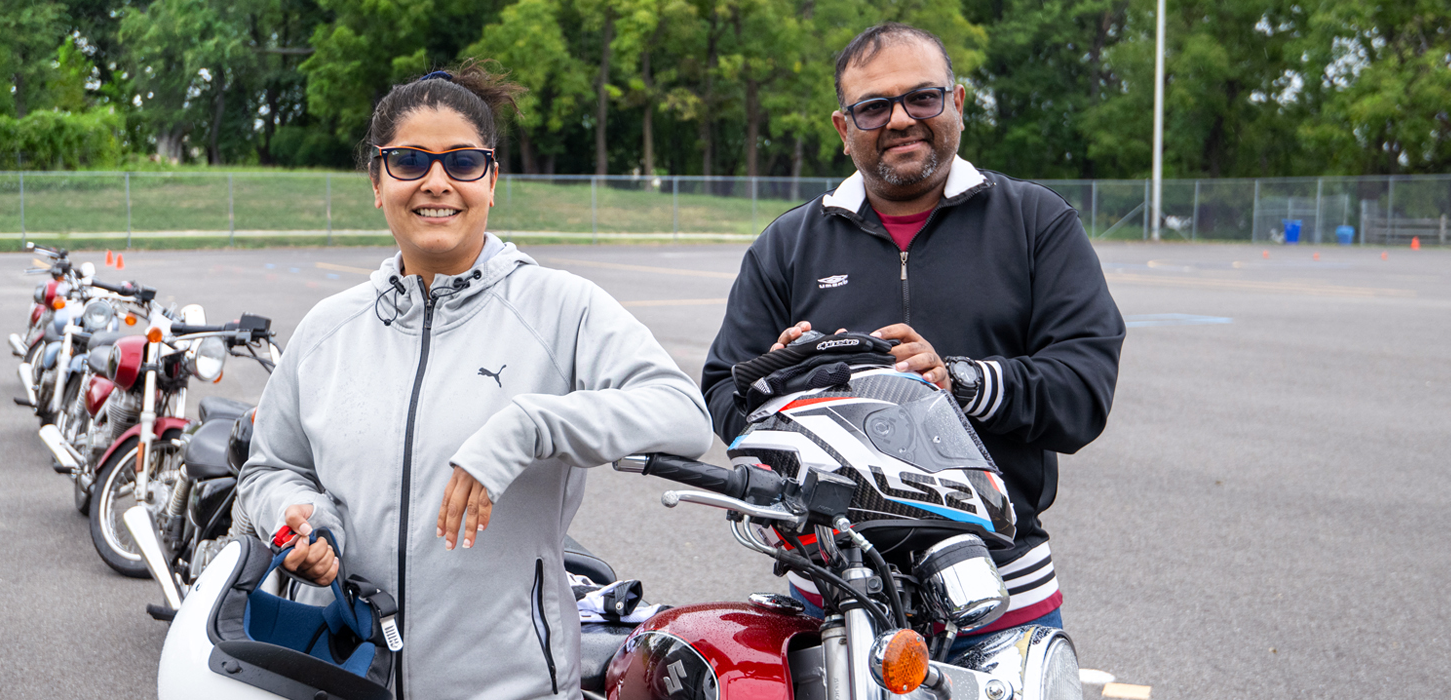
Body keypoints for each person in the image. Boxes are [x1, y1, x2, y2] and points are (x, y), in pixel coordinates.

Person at [238, 61, 712, 700]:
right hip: (348, 676)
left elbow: (684, 416)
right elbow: (269, 470)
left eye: (462, 162)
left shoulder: (559, 306)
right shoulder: (328, 328)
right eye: (409, 160)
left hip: (513, 686)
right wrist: (307, 520)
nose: (436, 181)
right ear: (377, 182)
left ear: (492, 180)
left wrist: (530, 424)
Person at [700, 23, 1125, 656]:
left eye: (921, 97)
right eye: (874, 106)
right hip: (832, 591)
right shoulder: (787, 245)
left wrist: (960, 379)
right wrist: (782, 389)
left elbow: (1084, 390)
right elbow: (723, 388)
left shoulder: (1037, 223)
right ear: (845, 131)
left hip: (998, 587)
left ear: (957, 102)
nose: (900, 119)